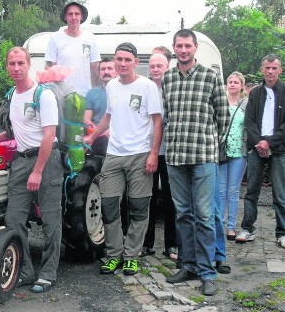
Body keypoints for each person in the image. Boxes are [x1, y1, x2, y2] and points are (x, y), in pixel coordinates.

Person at [0, 46, 63, 294]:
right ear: (7, 67)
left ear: (29, 65)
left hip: (46, 161)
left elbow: (49, 136)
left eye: (20, 63)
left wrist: (38, 171)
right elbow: (15, 131)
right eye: (11, 64)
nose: (16, 68)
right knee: (13, 220)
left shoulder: (43, 95)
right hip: (21, 161)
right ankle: (27, 270)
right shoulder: (11, 96)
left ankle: (48, 273)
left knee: (50, 221)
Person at [84, 42, 162, 277]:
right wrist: (92, 137)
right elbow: (108, 116)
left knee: (138, 208)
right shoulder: (112, 88)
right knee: (109, 207)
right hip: (114, 155)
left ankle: (131, 257)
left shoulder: (147, 86)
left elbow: (157, 121)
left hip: (140, 155)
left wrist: (153, 153)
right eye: (119, 59)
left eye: (127, 59)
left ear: (136, 62)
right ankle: (113, 254)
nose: (122, 63)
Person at [162, 30, 229, 296]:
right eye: (179, 46)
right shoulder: (167, 78)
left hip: (202, 158)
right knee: (183, 215)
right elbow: (167, 114)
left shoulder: (211, 77)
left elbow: (223, 118)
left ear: (195, 47)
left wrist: (210, 145)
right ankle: (187, 265)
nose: (183, 50)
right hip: (176, 158)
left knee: (204, 216)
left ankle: (207, 272)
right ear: (174, 48)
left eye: (188, 45)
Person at [235, 54, 285, 250]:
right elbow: (250, 122)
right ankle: (247, 229)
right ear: (262, 69)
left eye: (274, 68)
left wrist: (268, 143)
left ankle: (283, 234)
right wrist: (260, 144)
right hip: (256, 149)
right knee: (251, 191)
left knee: (279, 194)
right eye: (267, 68)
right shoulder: (255, 94)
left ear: (280, 70)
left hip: (279, 150)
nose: (270, 71)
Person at [141, 53, 178, 263]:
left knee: (172, 199)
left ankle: (171, 244)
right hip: (148, 151)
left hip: (171, 151)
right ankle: (147, 243)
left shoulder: (173, 88)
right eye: (152, 66)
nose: (155, 69)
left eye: (159, 66)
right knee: (148, 198)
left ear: (167, 66)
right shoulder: (145, 88)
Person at [212, 71, 249, 276]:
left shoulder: (246, 104)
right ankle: (220, 224)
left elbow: (250, 126)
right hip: (221, 151)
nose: (232, 84)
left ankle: (231, 226)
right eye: (230, 81)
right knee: (220, 190)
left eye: (236, 82)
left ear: (242, 86)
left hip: (239, 152)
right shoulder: (220, 101)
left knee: (233, 191)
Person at [45, 1, 101, 97]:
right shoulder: (55, 38)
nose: (73, 17)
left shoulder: (91, 38)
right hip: (62, 96)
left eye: (77, 14)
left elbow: (95, 68)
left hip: (85, 95)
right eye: (70, 14)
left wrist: (95, 92)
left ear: (82, 16)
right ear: (65, 17)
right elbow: (50, 68)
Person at [84, 57, 117, 129]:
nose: (106, 72)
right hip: (97, 135)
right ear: (99, 73)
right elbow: (86, 120)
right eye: (103, 69)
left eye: (110, 68)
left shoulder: (124, 93)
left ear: (117, 72)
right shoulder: (92, 93)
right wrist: (99, 133)